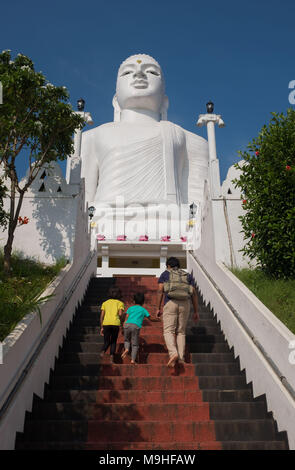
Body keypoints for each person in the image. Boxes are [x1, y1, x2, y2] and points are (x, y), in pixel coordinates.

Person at [157, 257, 199, 368]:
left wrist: (158, 308)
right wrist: (196, 311)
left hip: (170, 302)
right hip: (185, 303)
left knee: (168, 331)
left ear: (168, 266)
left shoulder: (165, 274)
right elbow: (194, 293)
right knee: (181, 332)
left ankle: (173, 353)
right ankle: (181, 358)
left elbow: (160, 290)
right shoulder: (187, 276)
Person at [121, 292, 155, 364]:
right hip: (135, 326)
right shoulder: (143, 310)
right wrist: (157, 319)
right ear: (143, 302)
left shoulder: (130, 308)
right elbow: (150, 318)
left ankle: (126, 349)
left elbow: (126, 317)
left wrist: (123, 326)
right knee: (135, 344)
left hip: (127, 325)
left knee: (126, 340)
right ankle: (133, 360)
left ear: (134, 301)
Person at [100, 287, 124, 363]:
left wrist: (101, 327)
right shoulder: (120, 303)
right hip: (115, 324)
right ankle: (111, 358)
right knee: (113, 341)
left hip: (106, 323)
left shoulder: (105, 303)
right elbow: (120, 314)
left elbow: (101, 316)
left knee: (106, 341)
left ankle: (103, 351)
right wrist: (121, 323)